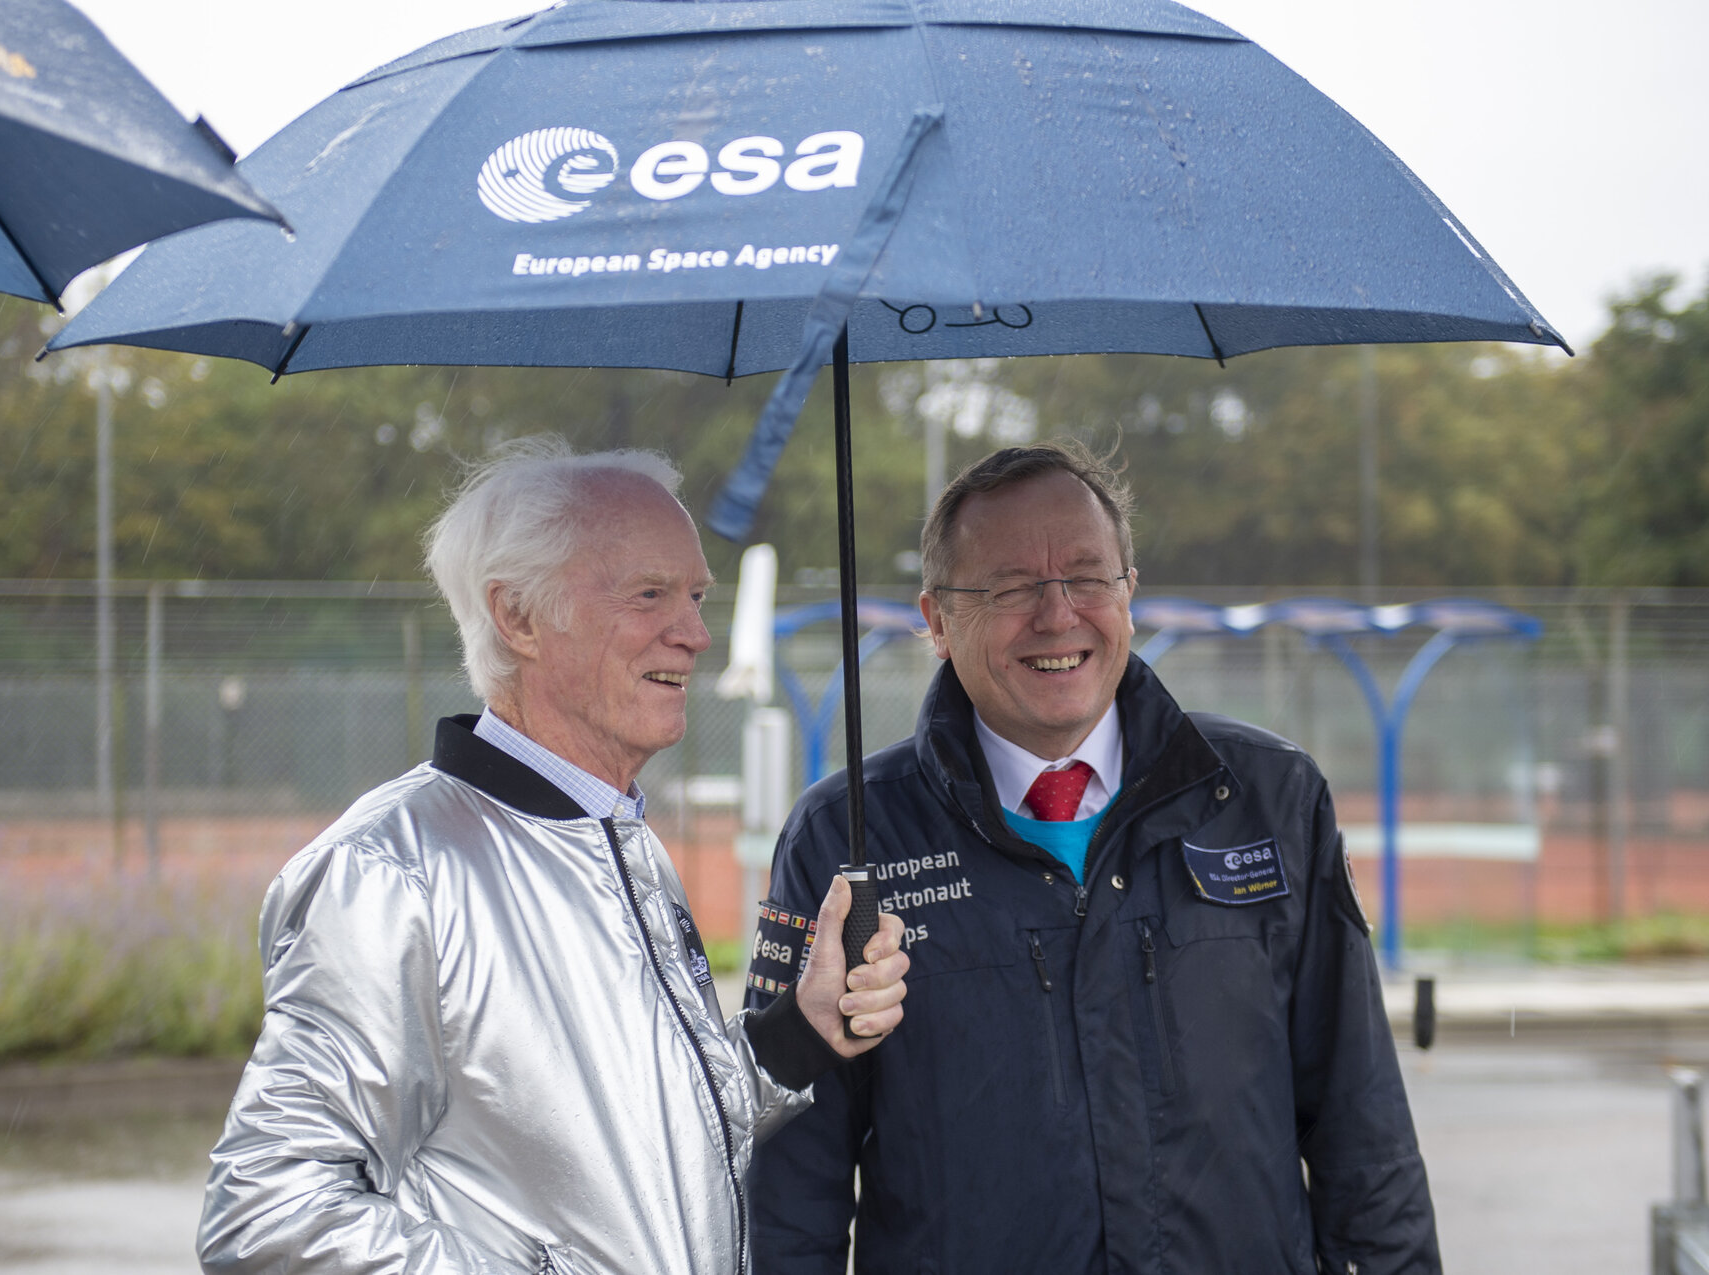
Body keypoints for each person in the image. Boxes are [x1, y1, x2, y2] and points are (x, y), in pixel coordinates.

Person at [199, 439, 909, 1275]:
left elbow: (623, 1151)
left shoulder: (615, 834)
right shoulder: (388, 875)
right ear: (518, 618)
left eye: (695, 596)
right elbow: (267, 1215)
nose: (695, 633)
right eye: (650, 595)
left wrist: (800, 1034)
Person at [744, 440, 1438, 1274]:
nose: (1058, 612)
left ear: (1130, 593)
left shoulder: (1268, 797)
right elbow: (790, 1181)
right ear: (935, 621)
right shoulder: (845, 837)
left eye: (1087, 576)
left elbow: (1364, 1128)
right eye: (1011, 586)